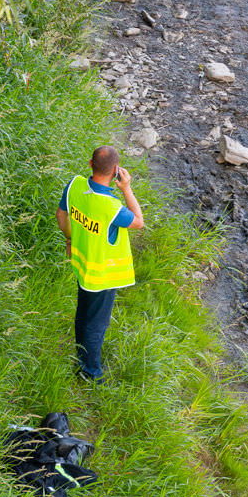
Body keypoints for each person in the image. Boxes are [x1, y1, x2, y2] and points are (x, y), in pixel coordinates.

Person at [56, 146, 144, 383]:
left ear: (89, 163)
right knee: (96, 324)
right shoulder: (111, 207)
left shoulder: (74, 185)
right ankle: (91, 373)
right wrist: (126, 188)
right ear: (116, 171)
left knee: (83, 314)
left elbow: (61, 215)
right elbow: (138, 222)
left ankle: (81, 355)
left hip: (82, 265)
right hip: (102, 275)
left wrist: (70, 237)